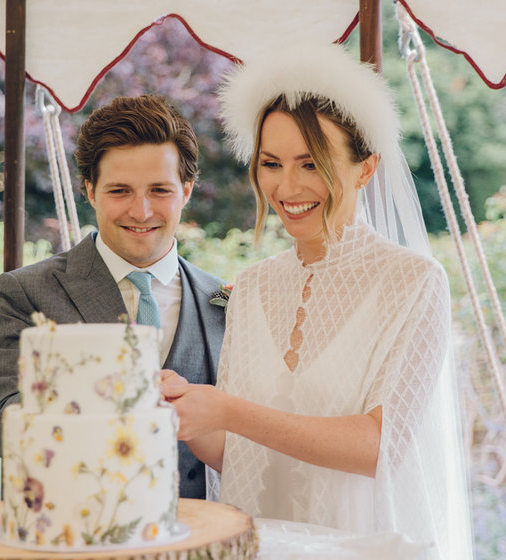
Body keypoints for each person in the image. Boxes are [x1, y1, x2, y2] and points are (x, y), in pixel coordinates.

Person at [160, 43, 473, 558]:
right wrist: (188, 412)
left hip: (362, 544)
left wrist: (229, 410)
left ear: (366, 168)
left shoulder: (414, 282)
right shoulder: (254, 286)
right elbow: (238, 454)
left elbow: (379, 446)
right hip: (265, 545)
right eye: (271, 163)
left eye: (311, 162)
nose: (287, 186)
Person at [0, 94, 227, 500]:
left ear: (185, 191)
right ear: (91, 191)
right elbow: (5, 425)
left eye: (159, 190)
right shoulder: (24, 292)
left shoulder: (223, 300)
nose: (141, 210)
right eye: (120, 191)